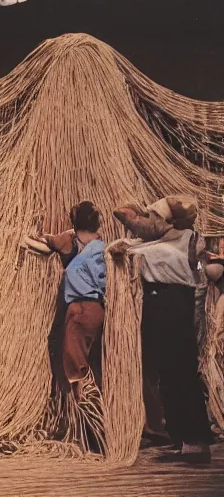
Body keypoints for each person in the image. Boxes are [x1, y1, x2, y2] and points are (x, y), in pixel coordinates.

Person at [110, 195, 216, 464]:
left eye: (157, 217)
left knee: (180, 372)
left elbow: (140, 239)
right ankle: (183, 440)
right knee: (168, 374)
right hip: (159, 304)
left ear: (171, 223)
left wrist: (137, 219)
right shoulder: (158, 241)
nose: (150, 221)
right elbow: (123, 221)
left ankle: (195, 442)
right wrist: (140, 212)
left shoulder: (184, 240)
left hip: (174, 304)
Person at [21, 202, 107, 401]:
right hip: (98, 310)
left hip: (78, 309)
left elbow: (40, 245)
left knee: (73, 365)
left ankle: (79, 407)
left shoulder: (68, 241)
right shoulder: (100, 246)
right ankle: (96, 411)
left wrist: (25, 238)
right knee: (93, 359)